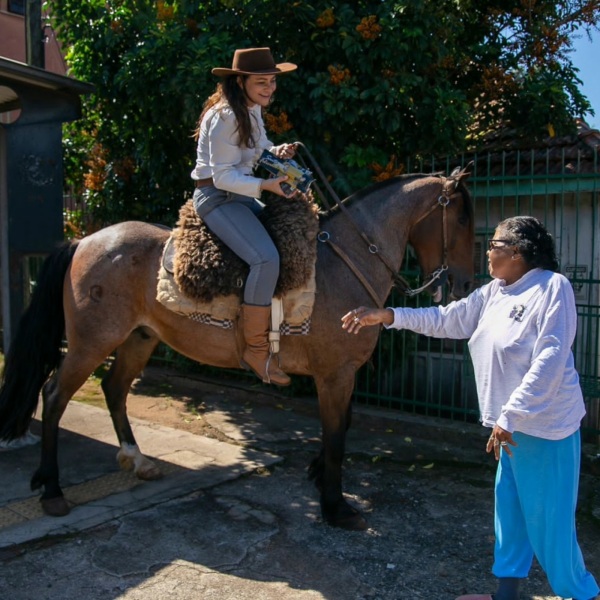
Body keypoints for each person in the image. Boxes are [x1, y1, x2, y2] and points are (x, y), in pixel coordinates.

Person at [341, 216, 599, 600]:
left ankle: (583, 595)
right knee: (509, 515)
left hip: (544, 429)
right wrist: (389, 316)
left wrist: (509, 416)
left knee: (550, 527)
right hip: (508, 430)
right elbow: (447, 319)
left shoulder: (551, 287)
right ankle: (506, 595)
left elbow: (551, 358)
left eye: (493, 245)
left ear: (516, 252)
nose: (487, 251)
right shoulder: (494, 291)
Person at [191, 47, 298, 387]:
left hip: (240, 195)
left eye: (272, 82)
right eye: (261, 82)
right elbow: (221, 176)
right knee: (266, 260)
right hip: (217, 197)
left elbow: (259, 146)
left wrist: (277, 152)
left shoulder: (251, 110)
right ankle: (254, 349)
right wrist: (266, 184)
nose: (269, 88)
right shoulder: (223, 117)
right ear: (241, 82)